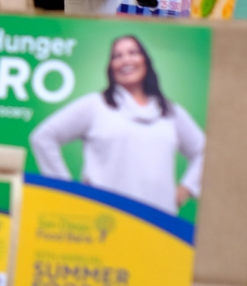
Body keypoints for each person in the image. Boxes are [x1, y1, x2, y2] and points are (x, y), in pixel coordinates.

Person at [30, 34, 204, 217]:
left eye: (132, 52)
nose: (125, 60)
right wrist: (68, 193)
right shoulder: (96, 105)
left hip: (160, 226)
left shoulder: (169, 112)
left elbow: (204, 151)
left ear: (145, 59)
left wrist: (187, 188)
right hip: (105, 221)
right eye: (117, 56)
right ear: (111, 67)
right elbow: (44, 136)